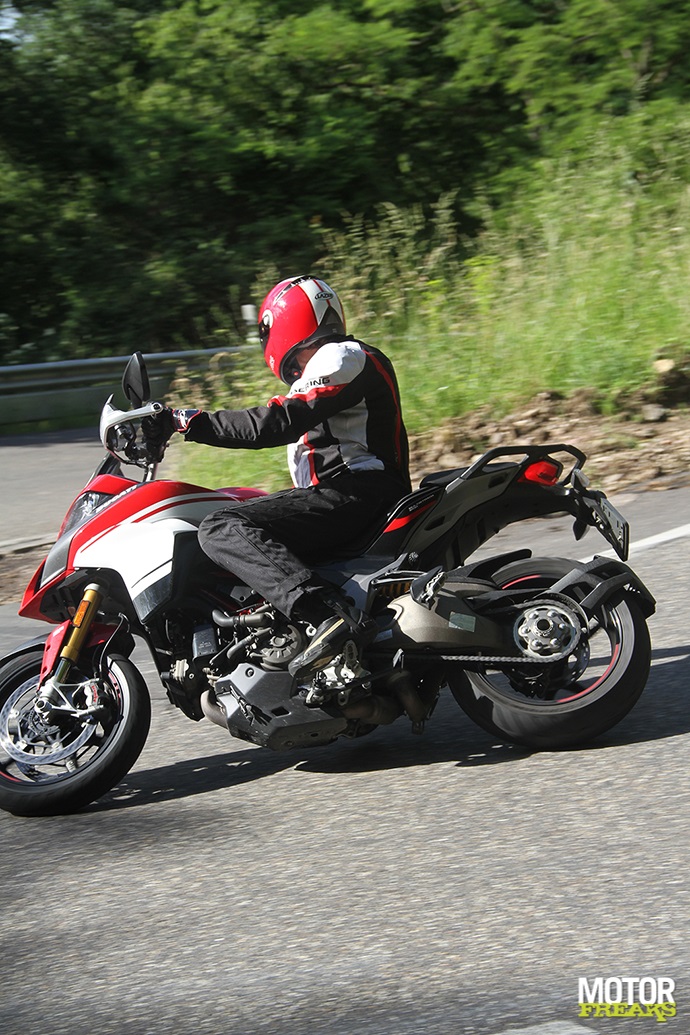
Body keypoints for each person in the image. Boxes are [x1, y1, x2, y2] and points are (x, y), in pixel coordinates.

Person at [143, 275, 410, 676]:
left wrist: (186, 421)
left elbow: (276, 422)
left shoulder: (342, 355)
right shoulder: (340, 363)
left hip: (360, 492)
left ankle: (324, 616)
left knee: (221, 527)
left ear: (283, 323)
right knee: (247, 515)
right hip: (353, 495)